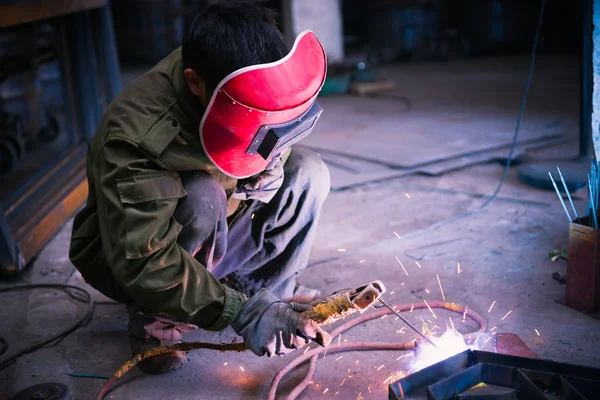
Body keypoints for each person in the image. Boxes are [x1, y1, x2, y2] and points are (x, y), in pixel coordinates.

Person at [69, 0, 332, 374]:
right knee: (202, 196)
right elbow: (143, 259)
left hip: (220, 220)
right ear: (195, 83)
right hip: (133, 254)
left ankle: (264, 293)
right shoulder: (138, 136)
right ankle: (160, 320)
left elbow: (277, 120)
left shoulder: (237, 67)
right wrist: (242, 313)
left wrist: (271, 163)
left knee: (308, 170)